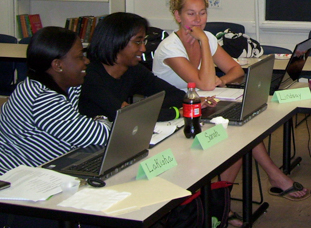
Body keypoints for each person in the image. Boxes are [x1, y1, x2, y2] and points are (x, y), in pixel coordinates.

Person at [153, 0, 310, 219]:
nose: (198, 20)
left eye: (203, 13)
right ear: (177, 16)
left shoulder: (206, 37)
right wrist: (205, 45)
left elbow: (236, 71)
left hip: (203, 106)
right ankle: (271, 177)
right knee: (239, 131)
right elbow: (205, 84)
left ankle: (219, 205)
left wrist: (222, 79)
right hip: (176, 114)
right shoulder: (171, 47)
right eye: (191, 14)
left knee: (243, 128)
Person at [0, 27, 110, 175]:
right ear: (58, 65)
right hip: (16, 180)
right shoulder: (42, 98)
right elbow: (100, 137)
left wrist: (98, 122)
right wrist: (102, 121)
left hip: (45, 169)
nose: (87, 60)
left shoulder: (67, 86)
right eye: (79, 57)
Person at [79, 12, 211, 122]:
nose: (143, 48)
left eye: (143, 41)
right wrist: (177, 113)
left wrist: (192, 101)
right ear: (116, 41)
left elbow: (173, 95)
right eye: (137, 42)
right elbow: (128, 114)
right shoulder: (89, 76)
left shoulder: (133, 70)